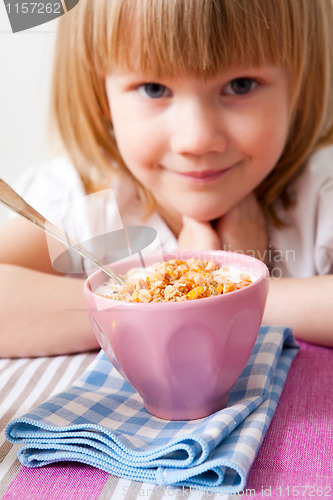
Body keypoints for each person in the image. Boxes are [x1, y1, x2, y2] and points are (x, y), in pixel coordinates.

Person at [1, 0, 333, 357]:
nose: (197, 140)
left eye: (240, 85)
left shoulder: (317, 199)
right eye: (154, 89)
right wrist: (164, 294)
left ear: (300, 83)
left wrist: (236, 289)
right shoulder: (87, 203)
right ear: (101, 94)